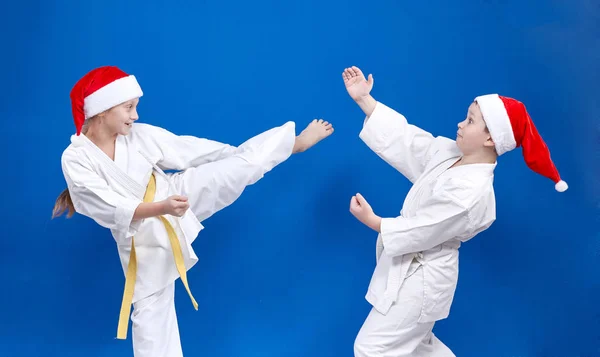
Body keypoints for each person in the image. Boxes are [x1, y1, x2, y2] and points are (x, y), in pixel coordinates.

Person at [52, 65, 334, 357]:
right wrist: (160, 208)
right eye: (128, 107)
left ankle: (293, 145)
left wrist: (236, 153)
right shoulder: (76, 158)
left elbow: (187, 149)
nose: (135, 115)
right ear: (101, 111)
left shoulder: (139, 135)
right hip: (140, 238)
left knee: (240, 168)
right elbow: (102, 204)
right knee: (151, 315)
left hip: (175, 193)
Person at [342, 66, 567, 356]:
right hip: (412, 271)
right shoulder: (450, 154)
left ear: (490, 139)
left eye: (470, 121)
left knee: (372, 348)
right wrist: (364, 100)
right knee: (420, 348)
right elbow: (407, 141)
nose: (461, 124)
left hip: (422, 281)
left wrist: (373, 222)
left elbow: (426, 228)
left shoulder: (471, 192)